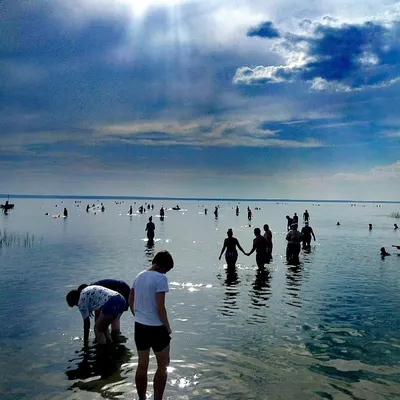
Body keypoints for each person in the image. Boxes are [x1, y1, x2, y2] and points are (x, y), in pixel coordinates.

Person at [129, 250, 174, 400]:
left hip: (140, 327)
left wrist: (139, 316)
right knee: (163, 365)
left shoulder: (138, 276)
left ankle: (142, 398)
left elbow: (131, 301)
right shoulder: (161, 279)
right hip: (157, 328)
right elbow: (160, 308)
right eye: (167, 270)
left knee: (142, 366)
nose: (166, 273)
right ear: (163, 267)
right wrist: (167, 327)